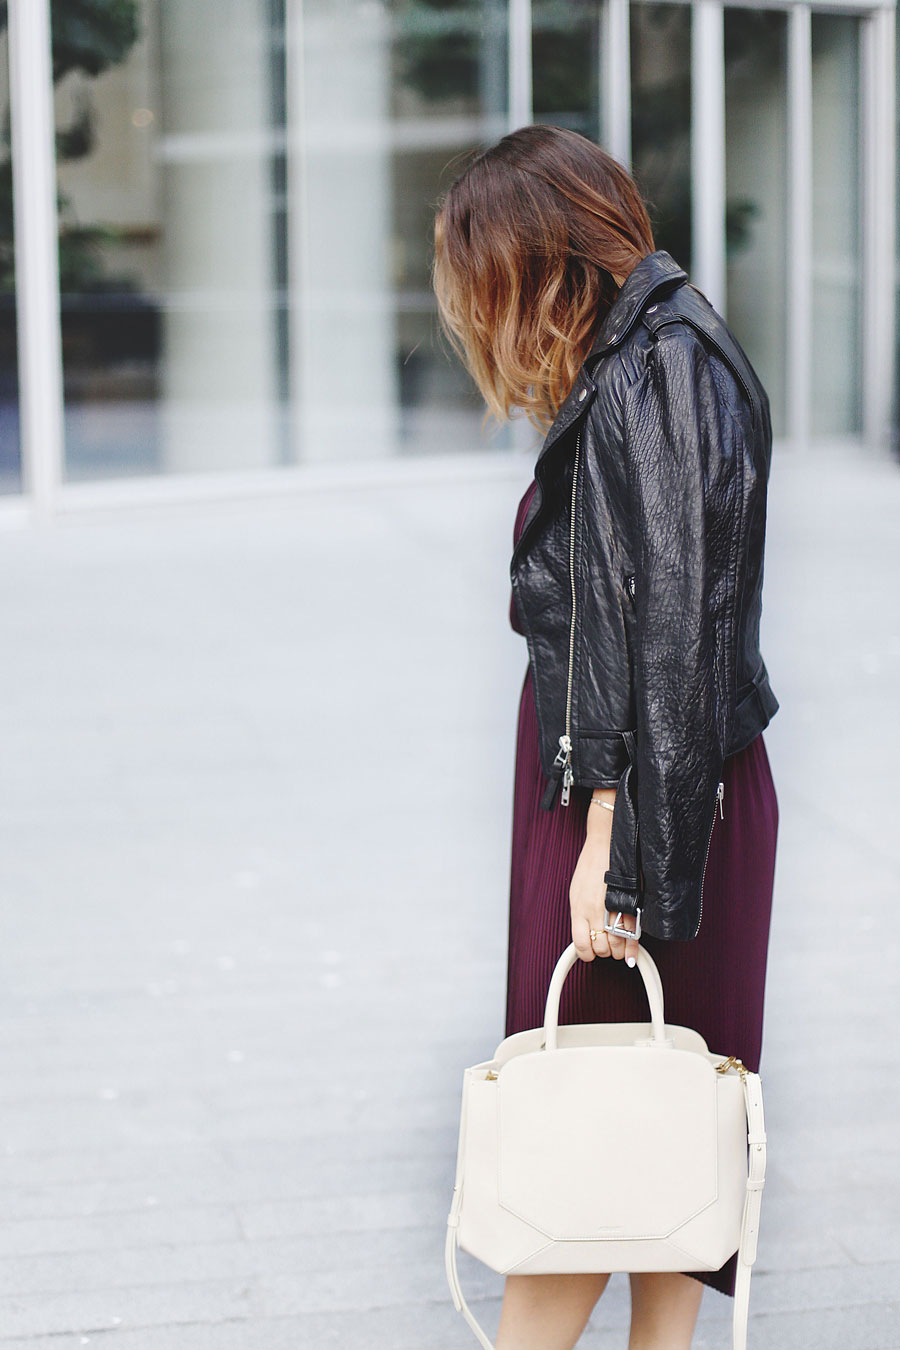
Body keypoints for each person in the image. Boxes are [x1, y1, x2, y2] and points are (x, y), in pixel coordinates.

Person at [432, 124, 780, 1350]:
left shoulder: (658, 371)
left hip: (636, 797)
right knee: (657, 1121)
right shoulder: (655, 347)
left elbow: (672, 639)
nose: (480, 318)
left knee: (590, 1123)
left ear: (539, 260)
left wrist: (612, 848)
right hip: (651, 785)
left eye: (484, 281)